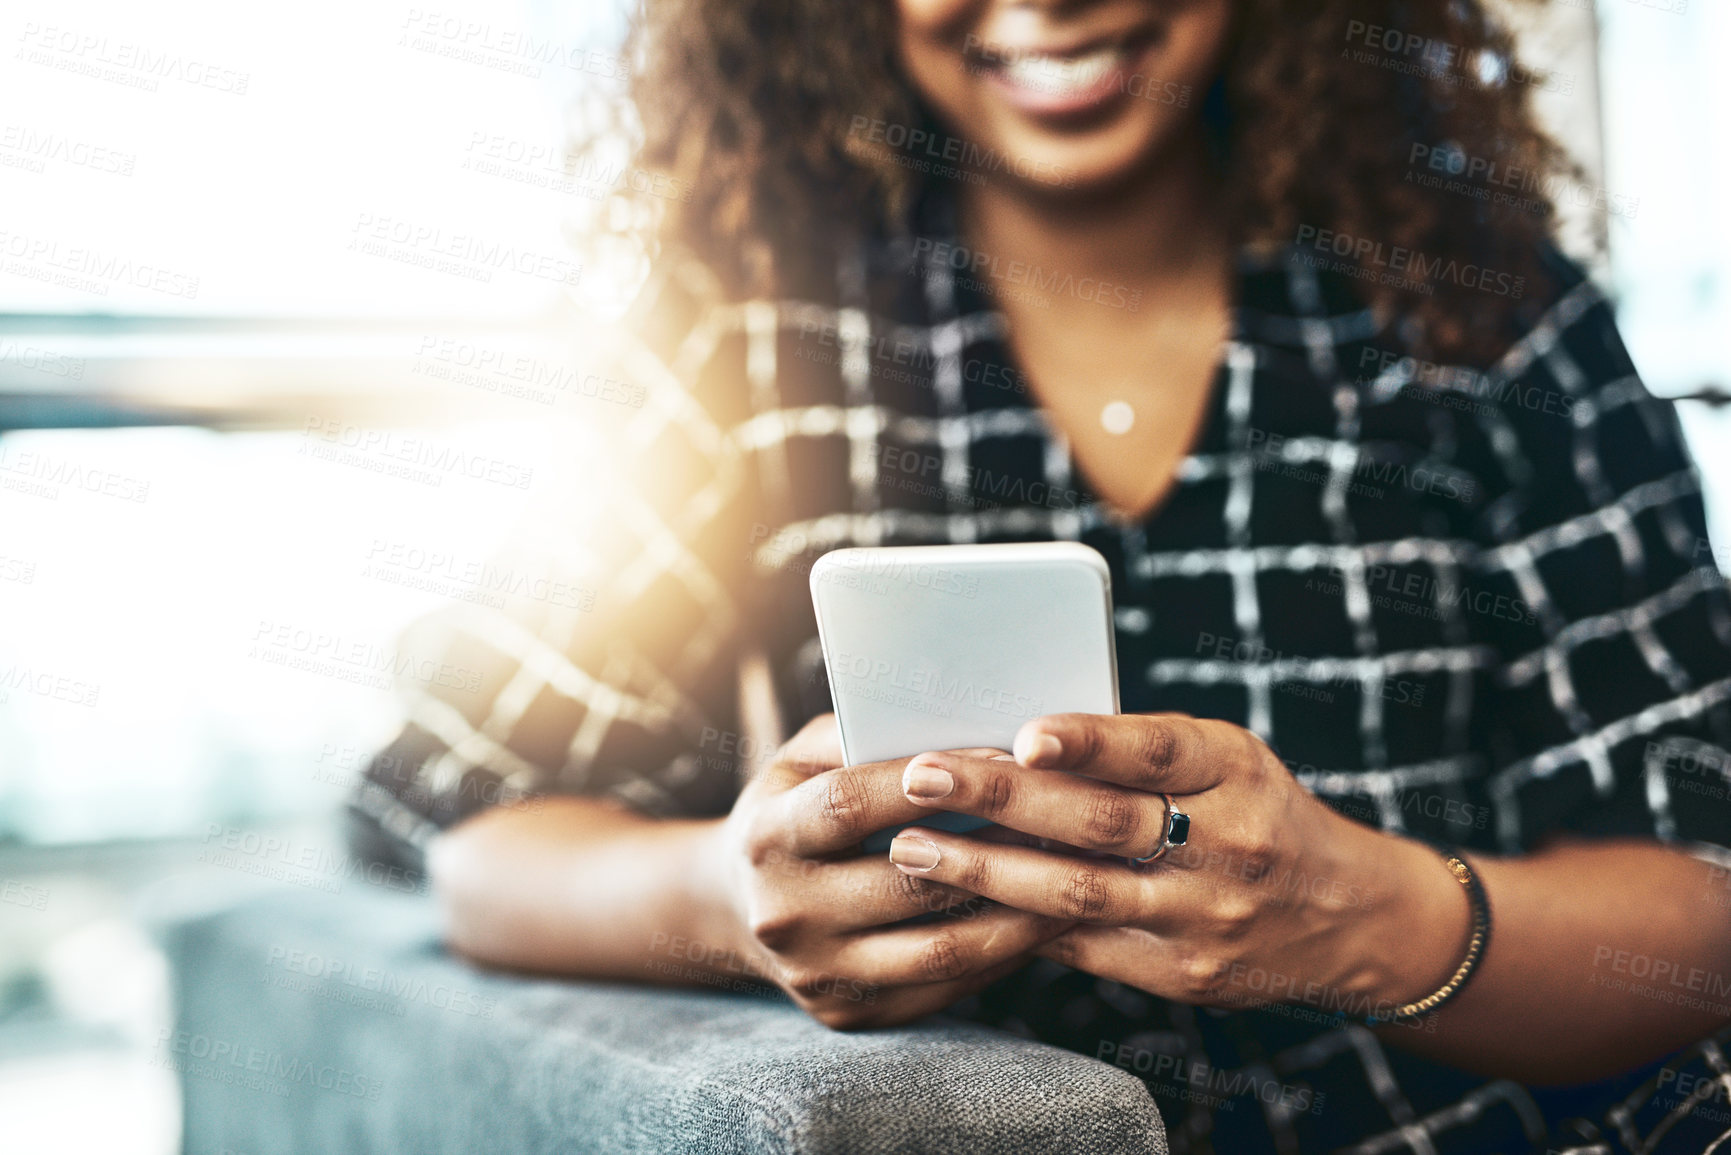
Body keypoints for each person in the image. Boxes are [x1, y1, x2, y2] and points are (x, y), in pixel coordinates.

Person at [349, 1, 1731, 1150]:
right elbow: (480, 831)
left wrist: (1361, 916)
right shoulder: (747, 340)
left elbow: (1704, 904)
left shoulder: (1484, 312)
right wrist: (727, 899)